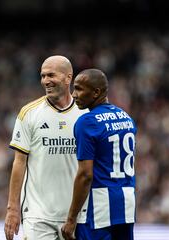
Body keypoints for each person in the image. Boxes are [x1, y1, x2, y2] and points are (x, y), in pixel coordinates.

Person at [4, 55, 89, 240]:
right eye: (42, 76)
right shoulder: (29, 113)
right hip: (38, 215)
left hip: (77, 216)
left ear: (68, 78)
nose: (45, 81)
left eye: (51, 75)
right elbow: (19, 163)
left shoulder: (86, 114)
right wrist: (12, 208)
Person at [62, 69, 137, 240]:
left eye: (79, 89)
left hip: (100, 207)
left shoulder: (87, 122)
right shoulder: (125, 117)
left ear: (96, 92)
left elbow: (85, 175)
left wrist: (71, 219)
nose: (74, 95)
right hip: (127, 203)